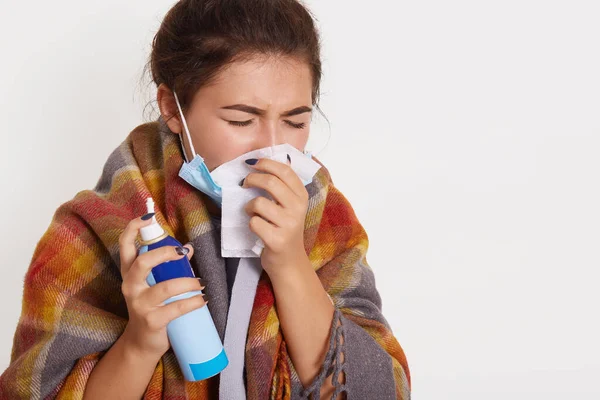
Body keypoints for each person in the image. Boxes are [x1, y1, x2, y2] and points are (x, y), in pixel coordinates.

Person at [0, 0, 410, 399]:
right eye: (241, 120)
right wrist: (140, 342)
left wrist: (289, 264)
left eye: (295, 121)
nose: (270, 148)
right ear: (171, 108)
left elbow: (376, 390)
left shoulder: (324, 217)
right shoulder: (93, 228)